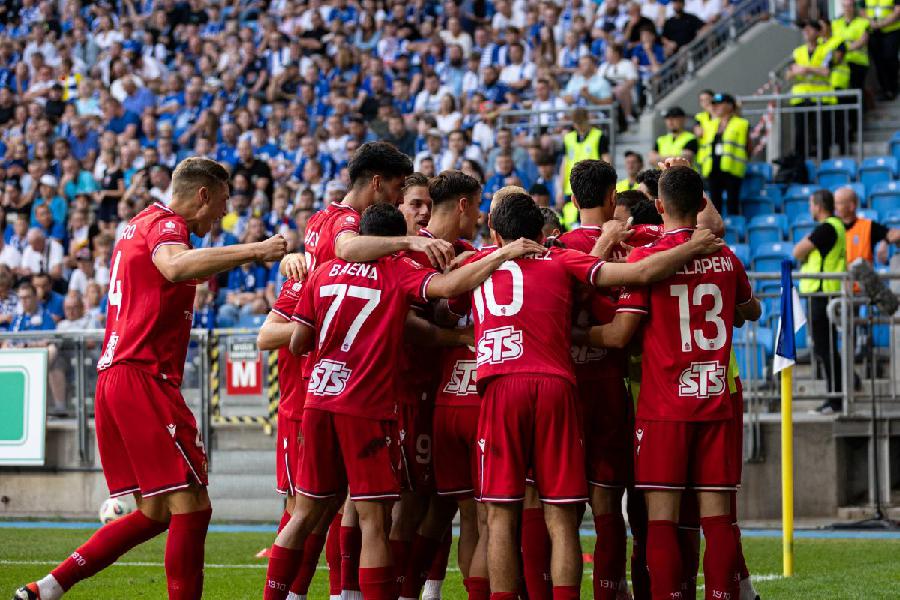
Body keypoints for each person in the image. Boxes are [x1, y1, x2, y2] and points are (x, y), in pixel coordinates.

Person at [14, 157, 289, 600]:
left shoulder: (139, 223)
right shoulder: (167, 226)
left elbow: (180, 270)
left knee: (155, 512)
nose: (223, 215)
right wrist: (256, 250)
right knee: (193, 505)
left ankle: (48, 587)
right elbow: (176, 266)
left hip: (117, 377)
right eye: (221, 203)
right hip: (142, 376)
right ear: (202, 195)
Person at [262, 204, 544, 600]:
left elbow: (296, 342)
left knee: (305, 513)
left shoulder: (322, 273)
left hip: (319, 400)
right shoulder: (397, 270)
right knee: (374, 520)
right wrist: (501, 255)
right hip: (365, 406)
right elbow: (448, 288)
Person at [457, 191, 723, 600]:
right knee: (562, 518)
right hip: (557, 386)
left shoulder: (474, 263)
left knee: (499, 516)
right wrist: (691, 246)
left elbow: (439, 295)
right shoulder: (561, 259)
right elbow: (640, 273)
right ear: (541, 233)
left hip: (500, 386)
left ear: (494, 232)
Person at [589, 166, 760, 600]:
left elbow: (622, 332)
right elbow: (751, 309)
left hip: (663, 407)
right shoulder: (725, 256)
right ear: (702, 203)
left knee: (661, 521)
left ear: (659, 206)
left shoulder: (647, 260)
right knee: (718, 521)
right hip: (715, 400)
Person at [558, 160, 639, 600]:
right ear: (612, 198)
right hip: (609, 386)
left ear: (573, 200)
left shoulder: (555, 247)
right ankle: (612, 590)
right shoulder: (631, 246)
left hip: (565, 391)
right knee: (608, 508)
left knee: (561, 513)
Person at [793, 189, 847, 413]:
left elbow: (798, 251)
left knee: (825, 349)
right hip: (826, 294)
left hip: (823, 295)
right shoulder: (836, 226)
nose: (810, 209)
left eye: (811, 205)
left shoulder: (827, 228)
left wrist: (804, 248)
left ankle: (835, 400)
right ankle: (835, 397)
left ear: (818, 206)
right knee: (827, 348)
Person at [787, 20, 836, 159]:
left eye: (810, 29)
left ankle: (825, 163)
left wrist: (806, 69)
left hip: (822, 97)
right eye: (805, 29)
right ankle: (800, 165)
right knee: (800, 134)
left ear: (818, 32)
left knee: (823, 134)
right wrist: (799, 71)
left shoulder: (826, 50)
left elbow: (826, 71)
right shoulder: (797, 52)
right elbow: (789, 74)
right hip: (801, 97)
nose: (806, 32)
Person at [697, 93, 750, 215]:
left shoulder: (741, 123)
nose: (715, 107)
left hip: (733, 170)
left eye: (719, 104)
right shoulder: (711, 125)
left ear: (730, 106)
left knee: (733, 203)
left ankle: (734, 224)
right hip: (712, 169)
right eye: (714, 104)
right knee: (715, 206)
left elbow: (748, 147)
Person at [560, 108, 611, 228]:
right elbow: (564, 164)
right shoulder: (568, 138)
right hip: (571, 187)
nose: (579, 126)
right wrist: (560, 189)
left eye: (581, 122)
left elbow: (607, 160)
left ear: (588, 119)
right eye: (576, 123)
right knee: (570, 221)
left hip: (592, 185)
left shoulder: (598, 136)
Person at [836, 186, 900, 266]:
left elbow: (897, 234)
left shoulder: (867, 226)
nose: (835, 207)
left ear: (851, 206)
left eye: (839, 203)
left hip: (862, 273)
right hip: (837, 273)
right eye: (834, 203)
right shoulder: (831, 228)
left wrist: (885, 241)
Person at [831, 0, 871, 93]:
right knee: (839, 89)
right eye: (845, 6)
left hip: (858, 61)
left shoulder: (863, 22)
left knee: (856, 89)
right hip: (840, 62)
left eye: (850, 6)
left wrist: (842, 49)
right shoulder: (835, 23)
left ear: (854, 7)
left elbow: (862, 41)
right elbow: (830, 41)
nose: (847, 9)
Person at [866, 0, 900, 101]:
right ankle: (886, 90)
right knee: (878, 62)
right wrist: (871, 23)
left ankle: (894, 87)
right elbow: (862, 10)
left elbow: (897, 11)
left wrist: (880, 24)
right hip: (873, 32)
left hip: (891, 30)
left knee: (890, 58)